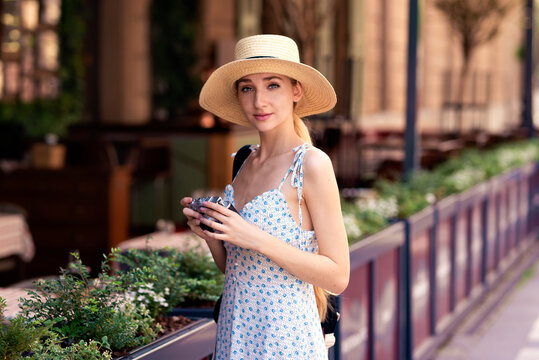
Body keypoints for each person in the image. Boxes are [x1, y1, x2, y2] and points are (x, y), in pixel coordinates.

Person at [181, 34, 349, 360]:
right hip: (236, 330)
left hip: (285, 339)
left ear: (295, 90)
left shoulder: (311, 165)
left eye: (272, 85)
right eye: (247, 88)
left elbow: (338, 276)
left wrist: (254, 237)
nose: (259, 101)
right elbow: (238, 268)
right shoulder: (243, 160)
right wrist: (211, 235)